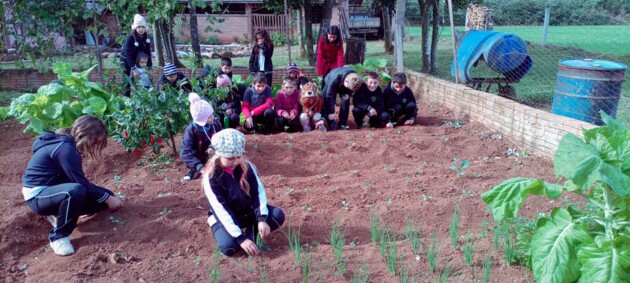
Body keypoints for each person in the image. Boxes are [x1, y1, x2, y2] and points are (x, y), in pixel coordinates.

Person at [21, 116, 123, 256]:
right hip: (37, 196)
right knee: (76, 191)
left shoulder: (66, 144)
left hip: (53, 190)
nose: (94, 145)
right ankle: (58, 237)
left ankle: (60, 212)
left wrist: (106, 197)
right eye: (95, 140)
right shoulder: (65, 149)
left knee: (104, 198)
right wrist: (106, 197)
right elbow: (80, 183)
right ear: (85, 135)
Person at [202, 129, 285, 256]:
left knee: (277, 215)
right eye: (230, 158)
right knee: (228, 247)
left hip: (246, 212)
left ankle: (252, 236)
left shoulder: (247, 167)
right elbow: (221, 209)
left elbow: (259, 193)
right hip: (223, 217)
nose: (235, 161)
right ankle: (239, 238)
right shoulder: (212, 177)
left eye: (238, 157)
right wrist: (240, 238)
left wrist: (262, 219)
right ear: (218, 155)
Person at [180, 93, 222, 182]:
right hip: (197, 156)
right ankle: (194, 169)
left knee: (220, 161)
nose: (213, 118)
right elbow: (184, 152)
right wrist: (201, 168)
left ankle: (214, 168)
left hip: (212, 153)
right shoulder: (191, 130)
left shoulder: (215, 124)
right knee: (194, 159)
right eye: (209, 117)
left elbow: (220, 137)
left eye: (212, 115)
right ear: (201, 119)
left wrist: (212, 146)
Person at [121, 14, 152, 97]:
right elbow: (128, 54)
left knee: (142, 79)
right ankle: (125, 101)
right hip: (126, 60)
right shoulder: (130, 38)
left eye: (143, 27)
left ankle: (143, 99)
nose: (141, 29)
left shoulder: (146, 38)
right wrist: (133, 69)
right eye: (139, 27)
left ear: (145, 28)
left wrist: (149, 66)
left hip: (138, 60)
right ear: (135, 28)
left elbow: (147, 52)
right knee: (126, 81)